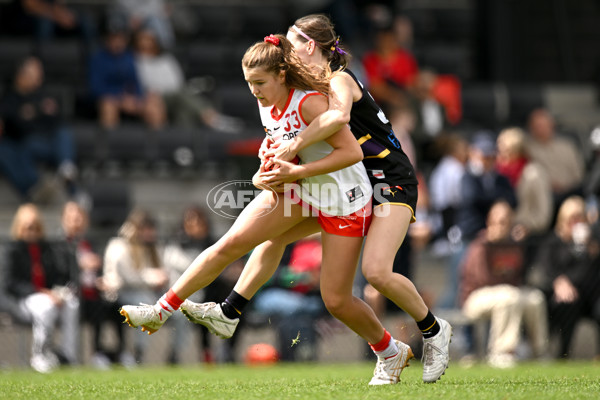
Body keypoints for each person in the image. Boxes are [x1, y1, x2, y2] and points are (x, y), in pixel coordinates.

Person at [120, 33, 414, 385]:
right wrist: (268, 159)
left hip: (344, 201)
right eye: (248, 83)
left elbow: (351, 153)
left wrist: (296, 169)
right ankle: (162, 310)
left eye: (259, 82)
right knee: (233, 243)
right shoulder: (265, 102)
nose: (254, 90)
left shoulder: (309, 103)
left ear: (281, 76)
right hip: (301, 192)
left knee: (336, 300)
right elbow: (277, 138)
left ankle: (390, 350)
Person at [184, 14, 452, 384]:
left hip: (389, 181)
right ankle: (231, 310)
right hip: (347, 187)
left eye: (290, 45)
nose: (284, 55)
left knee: (376, 271)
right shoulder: (306, 87)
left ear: (310, 46)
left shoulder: (339, 80)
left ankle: (434, 331)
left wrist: (293, 148)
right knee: (287, 250)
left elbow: (339, 117)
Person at [459, 200, 548, 368]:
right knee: (509, 296)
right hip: (474, 298)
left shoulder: (513, 244)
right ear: (489, 222)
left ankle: (540, 352)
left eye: (506, 221)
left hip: (507, 294)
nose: (502, 226)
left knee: (535, 298)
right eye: (498, 221)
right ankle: (501, 352)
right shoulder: (481, 245)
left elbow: (518, 275)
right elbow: (483, 280)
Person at [1, 203, 79, 373]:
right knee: (45, 305)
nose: (32, 232)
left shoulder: (47, 249)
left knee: (72, 304)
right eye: (28, 227)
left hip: (48, 295)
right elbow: (10, 284)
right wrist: (43, 293)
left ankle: (68, 356)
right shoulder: (11, 250)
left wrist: (59, 292)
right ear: (19, 227)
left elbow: (56, 276)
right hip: (21, 300)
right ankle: (40, 355)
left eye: (36, 227)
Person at [529, 196, 600, 358]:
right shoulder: (552, 242)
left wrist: (591, 251)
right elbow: (544, 269)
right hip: (562, 299)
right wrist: (560, 282)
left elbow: (590, 274)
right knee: (567, 303)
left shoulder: (592, 244)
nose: (576, 223)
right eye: (572, 218)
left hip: (590, 296)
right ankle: (561, 354)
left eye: (579, 218)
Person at [132, 29, 243, 133]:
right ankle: (213, 118)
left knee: (184, 109)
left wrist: (163, 88)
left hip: (173, 94)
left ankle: (184, 140)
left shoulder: (166, 59)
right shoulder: (136, 61)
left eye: (148, 39)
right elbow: (146, 84)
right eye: (142, 39)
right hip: (154, 98)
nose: (146, 43)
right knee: (182, 94)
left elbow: (176, 81)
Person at [0, 56, 78, 200]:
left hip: (48, 142)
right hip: (26, 144)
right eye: (34, 75)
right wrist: (39, 111)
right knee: (11, 150)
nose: (38, 80)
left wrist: (34, 111)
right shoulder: (9, 98)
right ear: (21, 76)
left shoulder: (41, 94)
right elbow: (15, 124)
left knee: (63, 133)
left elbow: (55, 118)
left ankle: (67, 170)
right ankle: (36, 188)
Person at [102, 208, 168, 365]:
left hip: (145, 294)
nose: (149, 233)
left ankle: (140, 352)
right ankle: (135, 353)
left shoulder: (153, 247)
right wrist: (153, 277)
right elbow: (128, 277)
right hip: (118, 294)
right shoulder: (119, 245)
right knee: (145, 305)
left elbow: (163, 272)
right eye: (146, 229)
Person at [58, 200, 110, 369]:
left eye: (79, 217)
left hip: (92, 292)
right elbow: (59, 269)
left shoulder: (90, 242)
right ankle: (69, 355)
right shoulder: (60, 243)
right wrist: (80, 264)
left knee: (104, 306)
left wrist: (101, 279)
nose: (76, 221)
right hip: (70, 292)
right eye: (72, 218)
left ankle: (98, 353)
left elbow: (98, 267)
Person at [88, 23, 166, 130]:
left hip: (129, 99)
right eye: (114, 38)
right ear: (107, 39)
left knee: (154, 107)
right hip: (110, 100)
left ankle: (158, 145)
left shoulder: (129, 58)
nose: (118, 42)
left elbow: (136, 83)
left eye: (120, 38)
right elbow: (96, 88)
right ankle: (109, 144)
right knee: (108, 107)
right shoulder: (98, 59)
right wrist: (120, 98)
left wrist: (136, 99)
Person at [526, 108, 585, 214]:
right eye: (538, 126)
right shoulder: (527, 150)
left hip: (571, 193)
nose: (541, 129)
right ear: (531, 128)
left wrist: (565, 186)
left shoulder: (568, 147)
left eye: (544, 125)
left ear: (552, 125)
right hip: (545, 197)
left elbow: (578, 175)